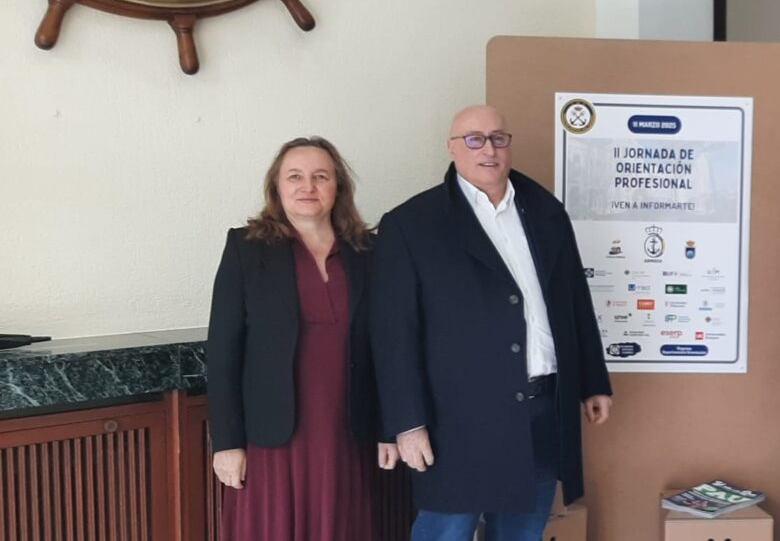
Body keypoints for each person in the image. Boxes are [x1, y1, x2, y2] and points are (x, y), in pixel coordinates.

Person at [372, 105, 614, 541]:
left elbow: (574, 299)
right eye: (474, 139)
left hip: (541, 410)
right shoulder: (411, 225)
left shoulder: (545, 212)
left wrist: (593, 380)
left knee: (522, 533)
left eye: (498, 138)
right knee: (445, 533)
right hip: (455, 422)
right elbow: (394, 336)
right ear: (452, 148)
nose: (489, 149)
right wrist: (407, 424)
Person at [206, 137, 398, 541]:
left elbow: (386, 348)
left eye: (320, 176)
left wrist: (389, 428)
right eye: (295, 176)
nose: (307, 186)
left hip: (346, 435)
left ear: (338, 186)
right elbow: (223, 352)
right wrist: (226, 443)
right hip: (271, 438)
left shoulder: (369, 251)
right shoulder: (246, 249)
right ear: (276, 186)